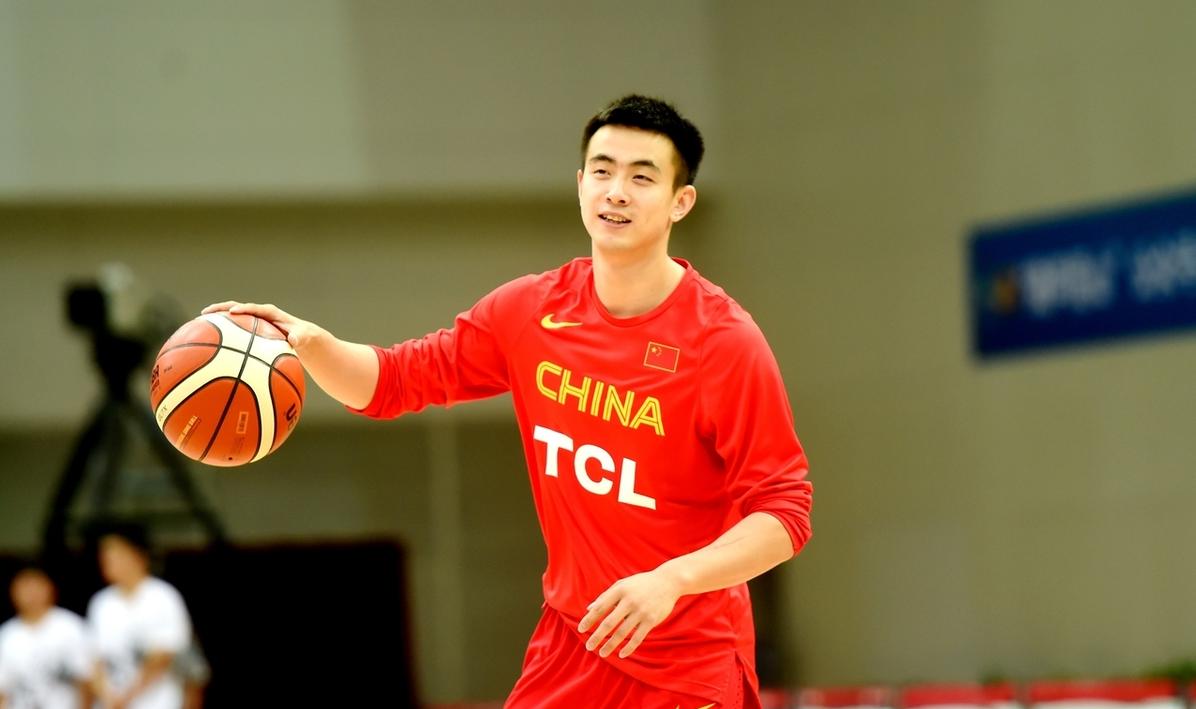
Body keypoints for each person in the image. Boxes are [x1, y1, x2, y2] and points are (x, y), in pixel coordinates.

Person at [205, 94, 813, 709]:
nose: (616, 191)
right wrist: (312, 345)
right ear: (580, 185)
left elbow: (785, 513)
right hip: (573, 645)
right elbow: (391, 382)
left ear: (681, 202)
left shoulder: (722, 341)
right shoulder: (531, 311)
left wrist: (673, 580)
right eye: (602, 170)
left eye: (641, 177)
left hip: (686, 662)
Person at [86, 526, 193, 709]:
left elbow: (163, 657)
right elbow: (93, 659)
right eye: (104, 554)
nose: (106, 559)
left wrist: (126, 698)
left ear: (137, 555)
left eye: (115, 553)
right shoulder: (101, 603)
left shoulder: (163, 597)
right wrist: (107, 697)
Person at [0, 565, 92, 709]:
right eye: (24, 588)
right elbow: (3, 691)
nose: (31, 594)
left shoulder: (69, 626)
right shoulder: (7, 636)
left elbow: (86, 680)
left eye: (36, 587)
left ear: (50, 588)